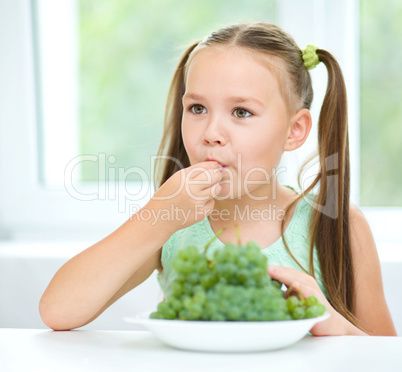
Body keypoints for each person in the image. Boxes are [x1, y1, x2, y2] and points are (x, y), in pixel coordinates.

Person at [39, 22, 397, 336]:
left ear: (295, 130)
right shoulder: (173, 223)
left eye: (241, 112)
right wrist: (157, 217)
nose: (211, 133)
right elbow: (58, 311)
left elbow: (383, 356)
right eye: (197, 108)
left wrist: (334, 325)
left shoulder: (337, 225)